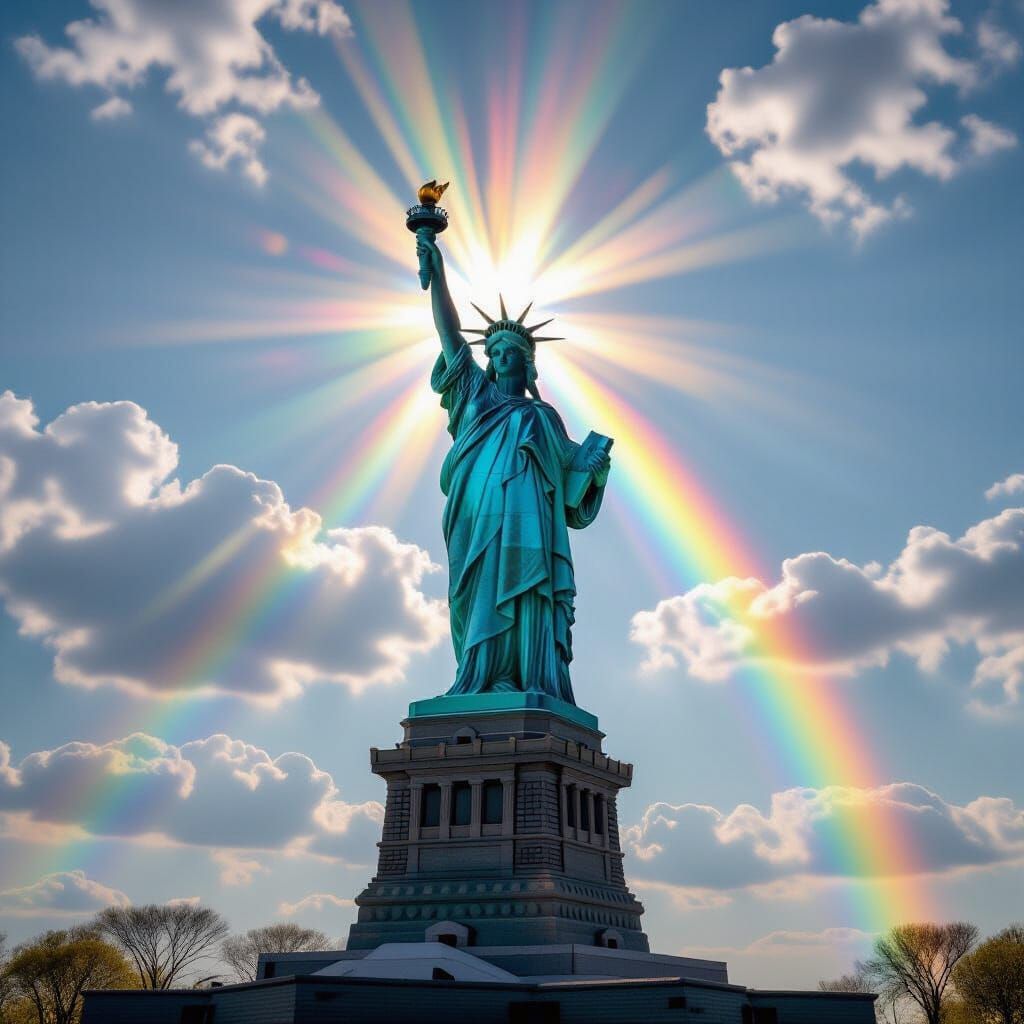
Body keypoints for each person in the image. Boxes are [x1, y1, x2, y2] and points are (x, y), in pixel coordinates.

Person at [417, 233, 611, 704]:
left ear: (529, 366)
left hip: (531, 533)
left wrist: (594, 467)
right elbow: (450, 334)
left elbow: (572, 496)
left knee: (529, 597)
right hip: (477, 519)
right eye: (496, 352)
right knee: (478, 595)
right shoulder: (473, 398)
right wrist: (436, 271)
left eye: (514, 354)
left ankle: (529, 678)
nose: (503, 359)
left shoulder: (543, 419)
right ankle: (480, 677)